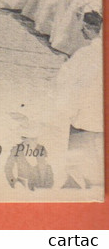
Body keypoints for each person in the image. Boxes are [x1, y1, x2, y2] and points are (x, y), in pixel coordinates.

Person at [54, 10, 103, 188]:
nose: (81, 32)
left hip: (84, 110)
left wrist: (66, 64)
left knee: (77, 146)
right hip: (100, 111)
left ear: (89, 28)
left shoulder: (85, 53)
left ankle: (74, 181)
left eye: (83, 28)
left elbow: (67, 78)